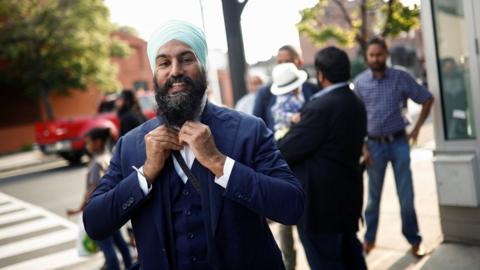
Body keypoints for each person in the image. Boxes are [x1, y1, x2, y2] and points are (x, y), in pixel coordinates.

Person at [83, 20, 304, 270]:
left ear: (203, 66)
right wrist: (144, 175)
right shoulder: (131, 145)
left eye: (186, 59)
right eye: (164, 63)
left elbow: (292, 206)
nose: (175, 70)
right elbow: (95, 223)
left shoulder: (248, 130)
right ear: (155, 74)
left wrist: (219, 163)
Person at [278, 47, 367, 270]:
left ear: (321, 74)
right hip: (347, 200)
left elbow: (286, 149)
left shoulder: (322, 107)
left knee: (327, 262)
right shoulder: (354, 100)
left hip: (320, 208)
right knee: (351, 257)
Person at [354, 37, 434, 257]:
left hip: (399, 143)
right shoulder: (360, 83)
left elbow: (427, 98)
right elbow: (356, 119)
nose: (375, 58)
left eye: (379, 54)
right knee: (373, 199)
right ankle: (369, 241)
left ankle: (414, 240)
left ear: (386, 55)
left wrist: (416, 129)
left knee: (406, 197)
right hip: (373, 146)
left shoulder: (401, 77)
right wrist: (363, 148)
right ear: (367, 57)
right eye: (371, 55)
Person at [66, 127, 132, 270]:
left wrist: (80, 208)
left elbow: (93, 189)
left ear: (97, 142)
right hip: (109, 205)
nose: (87, 146)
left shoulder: (96, 163)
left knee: (107, 247)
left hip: (99, 210)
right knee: (120, 243)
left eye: (88, 142)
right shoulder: (109, 157)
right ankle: (129, 267)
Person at [253, 45, 318, 131]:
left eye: (288, 62)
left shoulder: (313, 88)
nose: (283, 66)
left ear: (300, 62)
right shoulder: (265, 92)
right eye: (280, 62)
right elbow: (258, 125)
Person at [270, 63, 307, 141]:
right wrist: (291, 117)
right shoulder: (283, 98)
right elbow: (276, 112)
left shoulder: (299, 95)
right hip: (284, 132)